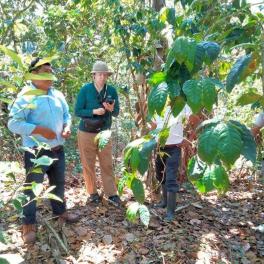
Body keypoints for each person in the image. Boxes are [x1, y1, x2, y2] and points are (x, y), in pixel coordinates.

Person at [8, 58, 79, 244]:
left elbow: (66, 115)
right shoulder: (26, 96)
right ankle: (28, 225)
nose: (50, 76)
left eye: (51, 72)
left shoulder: (57, 94)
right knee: (32, 189)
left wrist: (66, 127)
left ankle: (60, 212)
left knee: (58, 184)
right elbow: (13, 123)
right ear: (34, 74)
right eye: (45, 72)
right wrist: (39, 130)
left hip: (57, 148)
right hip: (36, 152)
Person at [75, 61, 121, 206]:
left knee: (106, 164)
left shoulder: (111, 90)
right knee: (88, 164)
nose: (102, 77)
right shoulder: (85, 90)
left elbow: (117, 112)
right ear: (93, 75)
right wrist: (94, 111)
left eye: (104, 74)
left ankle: (111, 194)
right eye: (99, 74)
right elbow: (77, 111)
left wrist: (111, 109)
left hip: (104, 133)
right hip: (86, 132)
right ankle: (92, 193)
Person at [153, 105, 198, 221]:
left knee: (171, 179)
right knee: (160, 175)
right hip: (159, 147)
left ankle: (170, 212)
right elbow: (154, 124)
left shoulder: (182, 105)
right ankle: (164, 202)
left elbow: (195, 122)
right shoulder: (158, 104)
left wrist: (189, 140)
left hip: (174, 148)